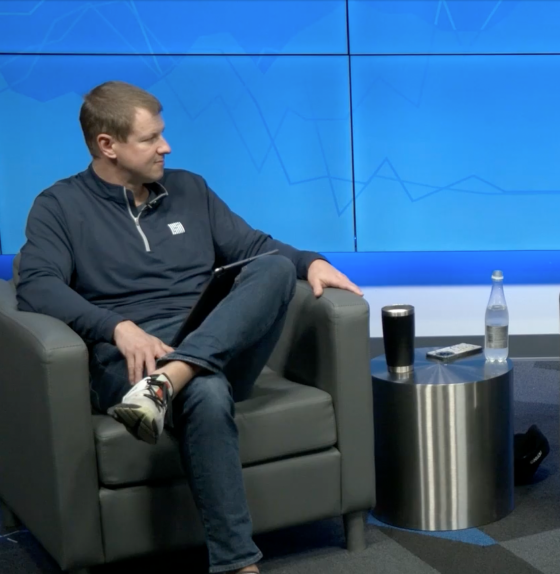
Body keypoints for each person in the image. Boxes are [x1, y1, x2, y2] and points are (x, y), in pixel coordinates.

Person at [15, 80, 362, 574]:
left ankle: (171, 378)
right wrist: (117, 326)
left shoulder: (189, 189)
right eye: (150, 138)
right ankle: (238, 564)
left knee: (274, 269)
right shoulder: (59, 206)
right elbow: (37, 286)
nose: (167, 146)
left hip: (207, 341)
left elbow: (255, 248)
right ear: (107, 145)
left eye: (162, 134)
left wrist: (312, 261)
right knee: (207, 391)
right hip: (130, 360)